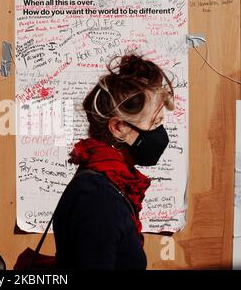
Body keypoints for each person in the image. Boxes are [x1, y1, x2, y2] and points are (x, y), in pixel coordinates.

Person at [53, 54, 175, 270]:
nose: (161, 134)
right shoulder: (97, 198)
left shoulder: (107, 182)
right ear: (119, 127)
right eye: (154, 123)